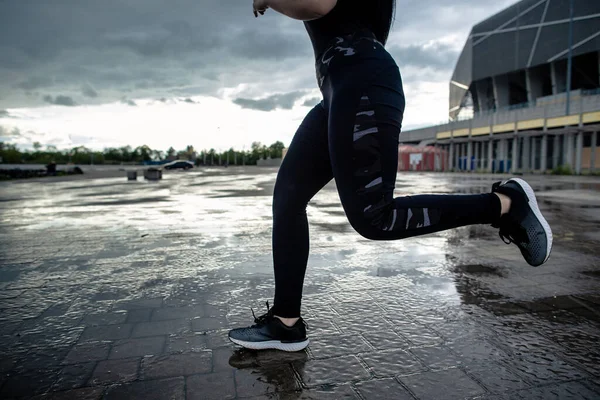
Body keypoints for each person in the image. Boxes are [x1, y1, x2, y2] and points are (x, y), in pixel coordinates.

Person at [228, 0, 553, 352]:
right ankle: (285, 323)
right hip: (339, 88)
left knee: (375, 219)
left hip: (362, 83)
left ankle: (505, 204)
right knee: (289, 196)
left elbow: (317, 5)